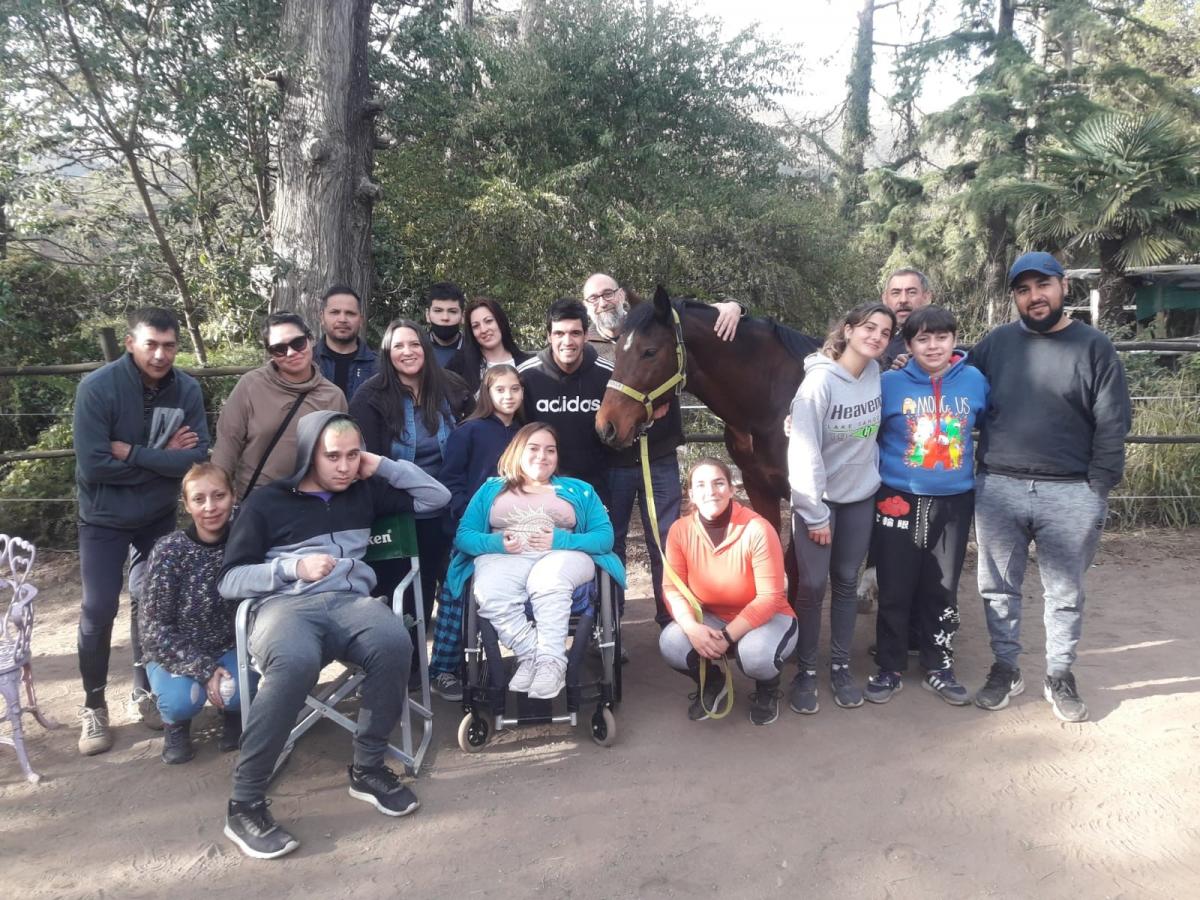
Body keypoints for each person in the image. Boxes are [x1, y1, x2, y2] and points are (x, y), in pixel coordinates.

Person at [217, 410, 451, 860]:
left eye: (352, 455)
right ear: (309, 454)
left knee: (394, 642)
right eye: (333, 456)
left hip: (351, 605)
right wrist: (292, 568)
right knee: (295, 663)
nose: (344, 466)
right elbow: (230, 580)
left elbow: (436, 497)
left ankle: (368, 767)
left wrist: (381, 465)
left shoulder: (365, 491)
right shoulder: (266, 502)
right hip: (285, 607)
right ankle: (244, 803)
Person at [970, 252, 1130, 723]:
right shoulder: (996, 344)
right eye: (1023, 289)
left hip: (1072, 491)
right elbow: (951, 382)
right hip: (1000, 486)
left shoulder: (1094, 346)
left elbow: (1113, 420)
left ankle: (1059, 674)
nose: (1034, 296)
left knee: (1064, 591)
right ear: (1015, 297)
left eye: (1043, 285)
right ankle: (1005, 668)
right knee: (997, 587)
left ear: (1063, 287)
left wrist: (1098, 487)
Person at [73, 307, 210, 756]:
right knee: (98, 608)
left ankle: (144, 689)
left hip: (156, 515)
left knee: (152, 602)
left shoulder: (187, 389)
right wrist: (161, 457)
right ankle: (94, 705)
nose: (160, 355)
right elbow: (94, 466)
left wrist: (133, 453)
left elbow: (195, 458)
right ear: (131, 342)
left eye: (169, 345)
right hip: (103, 516)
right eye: (151, 344)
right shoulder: (97, 388)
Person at [580, 273, 743, 630]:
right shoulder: (586, 346)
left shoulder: (651, 325)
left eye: (608, 293)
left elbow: (692, 315)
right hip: (614, 461)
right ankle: (611, 624)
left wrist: (733, 306)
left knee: (667, 540)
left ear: (621, 295)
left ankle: (673, 620)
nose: (603, 302)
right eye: (593, 298)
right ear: (586, 306)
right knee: (613, 540)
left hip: (660, 455)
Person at [444, 423, 625, 701]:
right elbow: (464, 536)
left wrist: (560, 541)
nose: (542, 456)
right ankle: (531, 654)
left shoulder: (580, 490)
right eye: (534, 448)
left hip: (564, 556)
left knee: (547, 579)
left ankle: (551, 663)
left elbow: (604, 538)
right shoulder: (491, 489)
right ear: (517, 451)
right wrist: (496, 542)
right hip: (505, 558)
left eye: (550, 450)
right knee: (489, 591)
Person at [864, 306, 988, 706]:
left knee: (943, 587)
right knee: (894, 586)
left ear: (954, 340)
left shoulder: (974, 381)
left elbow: (995, 424)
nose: (933, 346)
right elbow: (859, 430)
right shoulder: (888, 384)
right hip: (897, 498)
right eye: (923, 338)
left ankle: (940, 666)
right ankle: (889, 667)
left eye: (941, 337)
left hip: (954, 502)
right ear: (908, 344)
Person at [786, 302, 896, 715]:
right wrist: (814, 512)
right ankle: (806, 670)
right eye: (869, 328)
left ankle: (840, 666)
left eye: (885, 333)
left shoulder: (875, 373)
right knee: (813, 587)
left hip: (859, 498)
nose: (877, 337)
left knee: (848, 582)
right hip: (819, 503)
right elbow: (803, 452)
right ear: (848, 330)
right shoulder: (818, 384)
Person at [349, 320, 472, 634]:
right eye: (399, 346)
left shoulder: (450, 387)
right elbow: (368, 464)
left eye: (414, 344)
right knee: (403, 598)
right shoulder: (370, 396)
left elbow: (470, 439)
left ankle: (442, 659)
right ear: (387, 353)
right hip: (399, 511)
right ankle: (404, 657)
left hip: (447, 509)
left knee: (442, 592)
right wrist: (404, 502)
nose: (408, 352)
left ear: (425, 347)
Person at [658, 459, 797, 726]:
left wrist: (727, 636)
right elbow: (673, 588)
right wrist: (692, 628)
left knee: (755, 654)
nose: (710, 491)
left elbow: (770, 597)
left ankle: (767, 689)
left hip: (770, 618)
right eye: (701, 485)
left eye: (719, 483)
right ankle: (713, 682)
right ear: (691, 494)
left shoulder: (758, 529)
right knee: (672, 643)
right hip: (712, 616)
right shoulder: (680, 530)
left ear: (732, 489)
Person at [427, 365, 525, 699]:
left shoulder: (527, 434)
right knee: (458, 592)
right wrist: (465, 517)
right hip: (475, 531)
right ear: (487, 393)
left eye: (515, 389)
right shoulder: (468, 432)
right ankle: (443, 669)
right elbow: (451, 481)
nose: (508, 396)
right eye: (500, 390)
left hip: (520, 530)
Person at [140, 463, 245, 764]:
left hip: (228, 646)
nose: (210, 507)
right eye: (199, 499)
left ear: (233, 496)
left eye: (219, 496)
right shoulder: (169, 551)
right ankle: (175, 725)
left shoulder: (244, 543)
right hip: (175, 650)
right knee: (182, 702)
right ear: (186, 504)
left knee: (236, 692)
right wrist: (204, 669)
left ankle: (234, 714)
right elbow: (154, 629)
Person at [213, 312, 346, 499]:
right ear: (270, 353)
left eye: (298, 343)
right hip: (257, 500)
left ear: (310, 340)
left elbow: (341, 454)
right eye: (279, 349)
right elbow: (227, 444)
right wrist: (216, 494)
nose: (291, 353)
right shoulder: (251, 385)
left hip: (310, 501)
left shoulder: (333, 396)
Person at [517, 298, 612, 499]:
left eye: (575, 333)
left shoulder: (608, 376)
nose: (567, 341)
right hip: (541, 488)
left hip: (595, 490)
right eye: (559, 333)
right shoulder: (525, 376)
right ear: (548, 336)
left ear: (586, 336)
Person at [447, 297, 533, 395]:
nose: (483, 330)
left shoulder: (528, 364)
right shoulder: (461, 365)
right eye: (476, 326)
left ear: (500, 321)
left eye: (488, 321)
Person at [314, 284, 377, 400]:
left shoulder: (379, 367)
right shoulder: (307, 362)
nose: (342, 319)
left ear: (361, 320)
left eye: (350, 313)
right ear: (322, 318)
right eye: (335, 312)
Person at [880, 267, 934, 370]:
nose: (903, 300)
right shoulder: (873, 341)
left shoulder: (942, 342)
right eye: (896, 293)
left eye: (911, 292)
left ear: (927, 297)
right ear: (885, 299)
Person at [424, 282, 467, 368]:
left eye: (452, 311)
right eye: (438, 311)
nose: (445, 318)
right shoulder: (415, 349)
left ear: (462, 316)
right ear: (427, 315)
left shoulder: (476, 350)